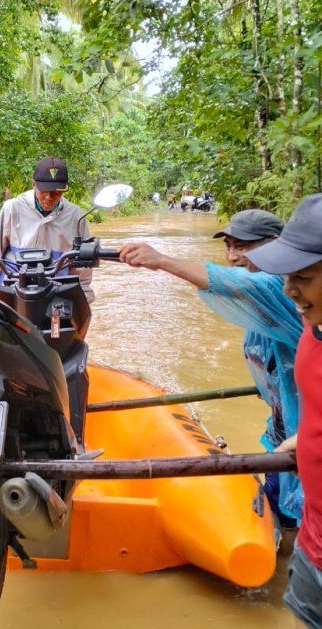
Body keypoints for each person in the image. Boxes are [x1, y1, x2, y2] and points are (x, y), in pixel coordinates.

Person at [119, 208, 304, 538]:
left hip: (307, 436)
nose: (232, 257)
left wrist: (161, 260)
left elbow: (235, 283)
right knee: (281, 514)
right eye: (229, 246)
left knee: (305, 522)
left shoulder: (282, 288)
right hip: (282, 431)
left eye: (243, 247)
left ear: (276, 246)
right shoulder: (260, 304)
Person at [244, 195, 322, 629]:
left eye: (305, 276)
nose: (290, 289)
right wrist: (305, 436)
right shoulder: (313, 336)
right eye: (286, 275)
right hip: (317, 533)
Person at [0, 156, 94, 301]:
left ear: (64, 190)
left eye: (56, 192)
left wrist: (83, 298)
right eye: (43, 191)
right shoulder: (12, 208)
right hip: (12, 285)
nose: (49, 197)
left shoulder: (76, 216)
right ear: (33, 184)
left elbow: (82, 268)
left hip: (57, 288)